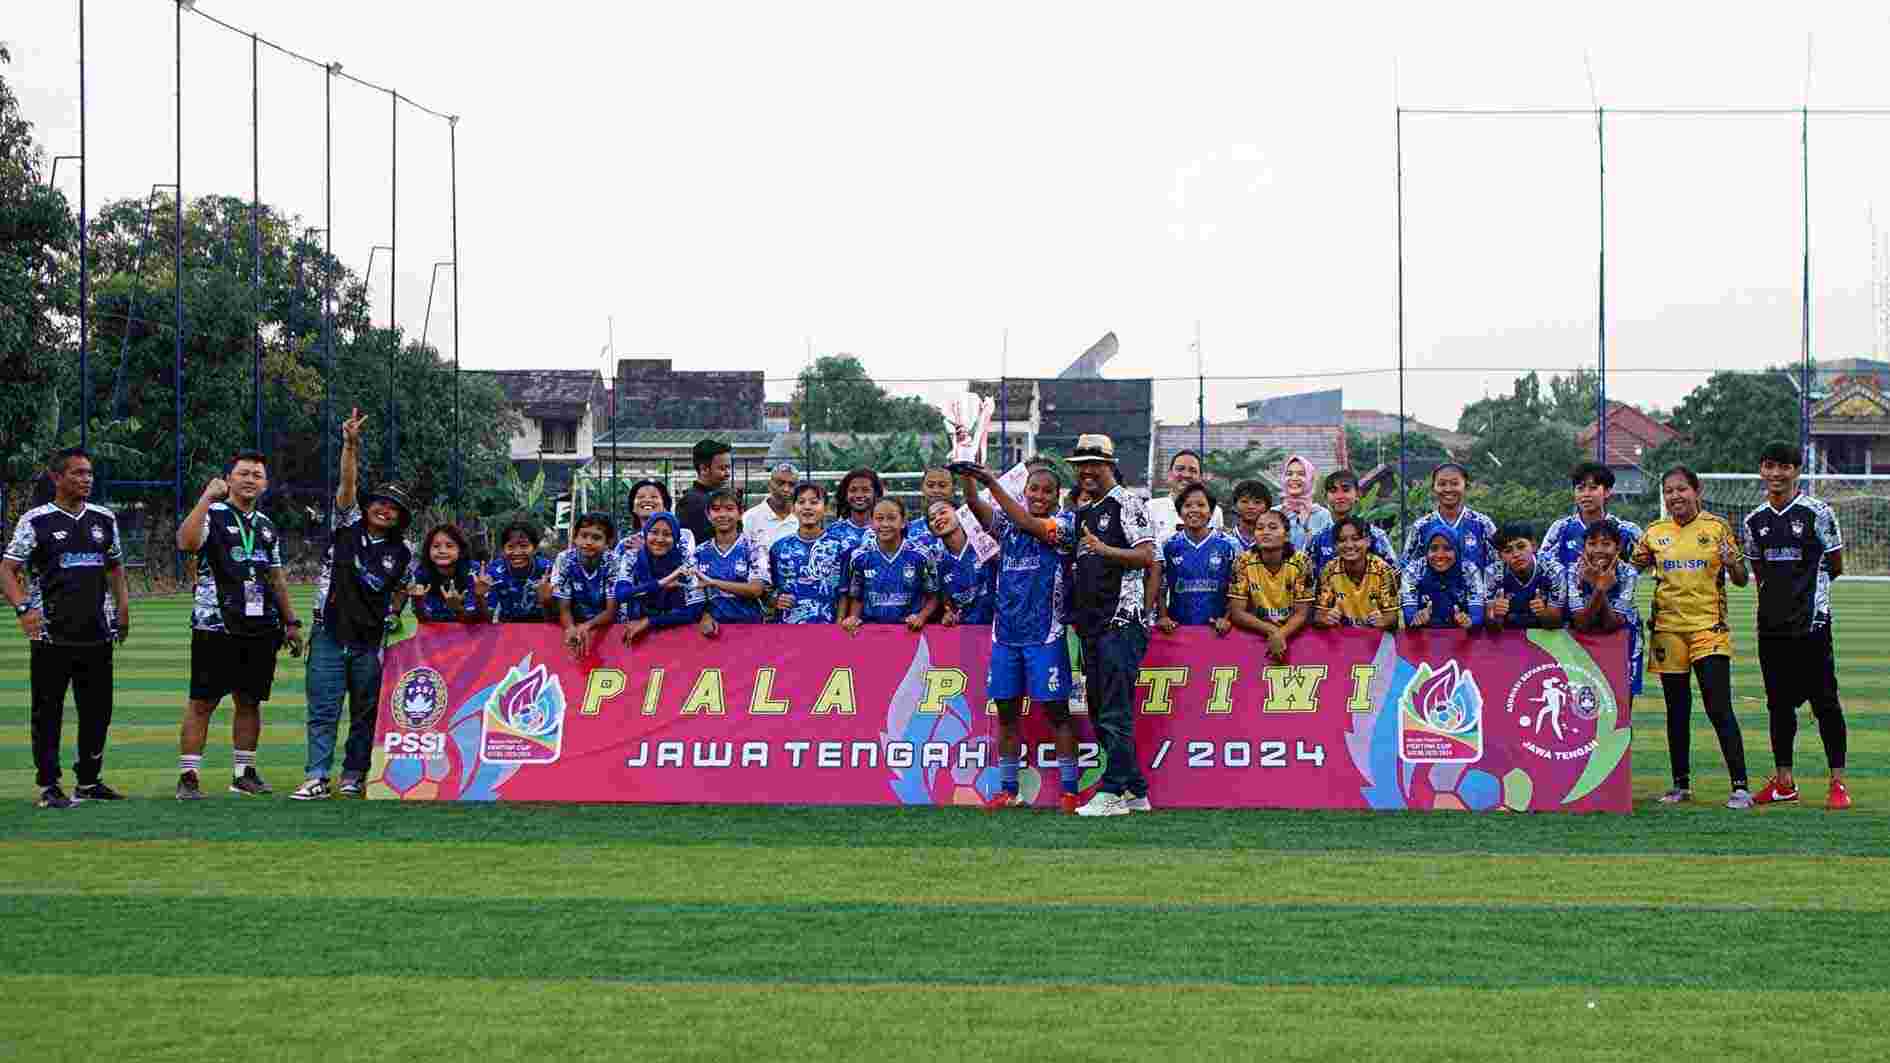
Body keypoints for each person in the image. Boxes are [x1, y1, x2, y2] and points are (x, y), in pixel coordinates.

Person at [2, 447, 131, 809]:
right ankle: (49, 786)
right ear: (57, 478)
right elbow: (7, 568)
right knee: (48, 711)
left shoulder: (104, 519)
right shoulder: (37, 520)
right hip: (51, 633)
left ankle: (89, 781)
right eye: (77, 473)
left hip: (97, 630)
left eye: (89, 473)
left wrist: (122, 609)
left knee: (98, 710)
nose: (86, 479)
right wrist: (24, 608)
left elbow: (115, 567)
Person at [296, 409, 414, 801]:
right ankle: (316, 776)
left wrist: (394, 612)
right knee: (324, 710)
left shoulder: (403, 550)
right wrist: (350, 444)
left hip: (370, 640)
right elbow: (346, 486)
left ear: (400, 516)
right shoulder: (346, 525)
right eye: (379, 502)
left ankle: (353, 775)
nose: (385, 509)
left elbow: (404, 587)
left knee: (365, 713)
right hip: (329, 631)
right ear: (367, 506)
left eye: (393, 507)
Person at [174, 451, 304, 800]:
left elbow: (275, 576)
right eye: (243, 473)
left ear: (265, 483)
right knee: (202, 702)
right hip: (214, 625)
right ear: (229, 479)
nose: (250, 479)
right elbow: (185, 543)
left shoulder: (265, 525)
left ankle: (243, 773)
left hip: (259, 625)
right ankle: (188, 776)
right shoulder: (212, 514)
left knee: (249, 701)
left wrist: (291, 621)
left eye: (257, 475)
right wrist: (204, 497)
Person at [961, 463, 1082, 812]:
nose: (1039, 496)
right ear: (1025, 491)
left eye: (1047, 490)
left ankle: (1070, 791)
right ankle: (1009, 790)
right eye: (1034, 489)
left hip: (1046, 635)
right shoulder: (1007, 529)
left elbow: (1027, 523)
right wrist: (969, 479)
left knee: (1057, 713)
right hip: (1006, 635)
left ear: (1056, 496)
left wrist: (990, 482)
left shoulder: (1063, 526)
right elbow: (975, 506)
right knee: (1007, 715)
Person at [1632, 466, 1750, 808]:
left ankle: (1740, 786)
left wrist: (1732, 563)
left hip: (1708, 629)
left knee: (1718, 706)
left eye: (1682, 489)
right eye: (1669, 491)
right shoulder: (1654, 532)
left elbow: (1741, 578)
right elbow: (1628, 567)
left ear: (1697, 491)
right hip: (1668, 631)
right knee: (1676, 709)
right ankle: (1680, 785)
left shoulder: (1717, 528)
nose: (1675, 496)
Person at [1742, 442, 1850, 809]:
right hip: (1771, 627)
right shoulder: (1753, 521)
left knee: (1825, 704)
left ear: (1796, 471)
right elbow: (1759, 572)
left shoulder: (1818, 512)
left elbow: (1835, 565)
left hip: (1812, 624)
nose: (1776, 473)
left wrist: (1807, 597)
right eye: (1770, 466)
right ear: (1761, 470)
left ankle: (1837, 782)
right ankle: (1784, 782)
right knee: (1778, 706)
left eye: (1784, 467)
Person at [1061, 435, 1156, 817]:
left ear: (1109, 464)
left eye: (1093, 463)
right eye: (1080, 463)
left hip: (1121, 620)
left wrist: (1105, 551)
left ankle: (1113, 790)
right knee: (1101, 709)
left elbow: (1148, 555)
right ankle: (1135, 790)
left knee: (1114, 709)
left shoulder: (1127, 503)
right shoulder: (1084, 512)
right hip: (1092, 625)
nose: (1085, 470)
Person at [842, 498, 938, 633]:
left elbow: (933, 597)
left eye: (892, 518)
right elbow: (857, 597)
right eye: (879, 518)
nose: (885, 524)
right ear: (871, 522)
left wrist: (921, 617)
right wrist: (853, 618)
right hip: (871, 632)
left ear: (903, 522)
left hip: (909, 632)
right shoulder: (859, 557)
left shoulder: (921, 555)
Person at [1154, 483, 1238, 636]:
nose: (1194, 510)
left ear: (1211, 512)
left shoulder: (1228, 545)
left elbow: (1236, 587)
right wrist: (1163, 616)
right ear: (1180, 512)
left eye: (1201, 505)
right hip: (1178, 630)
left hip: (1217, 630)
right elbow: (1161, 587)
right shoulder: (1169, 546)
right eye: (1188, 505)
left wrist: (1227, 618)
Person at [1228, 509, 1314, 658]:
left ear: (1287, 535)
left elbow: (1302, 613)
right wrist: (1272, 631)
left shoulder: (1302, 562)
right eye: (1260, 528)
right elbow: (1237, 613)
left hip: (1294, 635)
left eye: (1273, 527)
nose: (1265, 532)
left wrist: (1281, 634)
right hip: (1256, 634)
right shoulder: (1242, 562)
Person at [1403, 463, 1499, 588]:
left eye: (1454, 483)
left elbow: (1498, 564)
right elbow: (1407, 566)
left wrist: (1488, 599)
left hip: (1476, 603)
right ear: (1434, 488)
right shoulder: (1421, 526)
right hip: (1431, 602)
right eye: (1442, 484)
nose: (1448, 489)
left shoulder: (1482, 524)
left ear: (1466, 486)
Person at [768, 482, 852, 625]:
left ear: (825, 508)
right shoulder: (779, 548)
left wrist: (839, 622)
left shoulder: (840, 547)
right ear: (793, 508)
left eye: (814, 502)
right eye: (801, 502)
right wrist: (775, 599)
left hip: (827, 628)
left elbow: (844, 591)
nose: (807, 507)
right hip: (787, 628)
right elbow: (769, 590)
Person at [618, 511, 706, 644]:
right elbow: (621, 594)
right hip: (633, 630)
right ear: (646, 534)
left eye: (667, 534)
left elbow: (695, 610)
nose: (659, 539)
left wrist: (649, 621)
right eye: (654, 532)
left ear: (676, 538)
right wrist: (661, 584)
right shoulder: (632, 557)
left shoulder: (686, 560)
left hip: (676, 634)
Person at [693, 489, 770, 637]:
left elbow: (756, 590)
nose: (722, 515)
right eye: (716, 510)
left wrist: (713, 582)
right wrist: (705, 616)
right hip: (714, 632)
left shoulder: (755, 547)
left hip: (750, 629)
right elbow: (696, 595)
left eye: (729, 509)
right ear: (708, 515)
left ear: (740, 513)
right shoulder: (698, 552)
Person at [1541, 462, 1645, 571]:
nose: (1586, 494)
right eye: (1580, 488)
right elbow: (1542, 564)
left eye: (1593, 488)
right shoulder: (1560, 529)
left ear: (1607, 492)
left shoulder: (1627, 531)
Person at [1304, 469, 1396, 581]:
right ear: (1326, 497)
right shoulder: (1318, 539)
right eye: (1333, 491)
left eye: (1346, 490)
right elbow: (1307, 581)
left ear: (1358, 494)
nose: (1339, 496)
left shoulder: (1375, 536)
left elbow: (1394, 575)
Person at [552, 512, 619, 660]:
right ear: (575, 537)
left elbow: (611, 611)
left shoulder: (614, 561)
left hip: (609, 625)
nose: (588, 542)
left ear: (608, 542)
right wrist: (570, 628)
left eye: (596, 537)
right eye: (583, 535)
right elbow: (564, 607)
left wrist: (587, 626)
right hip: (576, 621)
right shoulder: (564, 559)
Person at [1314, 516, 1400, 630]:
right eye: (1342, 540)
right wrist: (1327, 618)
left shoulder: (1383, 570)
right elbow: (1319, 615)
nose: (1349, 545)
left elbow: (1392, 617)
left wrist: (1383, 621)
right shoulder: (1329, 571)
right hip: (1341, 637)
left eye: (1355, 539)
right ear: (1335, 545)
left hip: (1373, 637)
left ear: (1368, 541)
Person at [923, 501, 996, 626]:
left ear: (959, 514)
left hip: (998, 629)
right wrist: (949, 614)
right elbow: (947, 604)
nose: (938, 518)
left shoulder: (984, 541)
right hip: (966, 632)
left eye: (943, 512)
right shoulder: (935, 562)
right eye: (932, 518)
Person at [1565, 523, 1639, 645]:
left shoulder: (1628, 573)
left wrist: (1598, 588)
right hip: (1579, 639)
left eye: (1606, 544)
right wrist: (1599, 588)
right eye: (1592, 544)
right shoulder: (1573, 571)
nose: (1599, 550)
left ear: (1618, 547)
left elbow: (1611, 625)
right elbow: (1581, 624)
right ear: (1583, 548)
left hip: (1619, 637)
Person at [1401, 524, 1487, 630]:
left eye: (1447, 548)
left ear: (1457, 550)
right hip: (1425, 638)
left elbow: (1477, 618)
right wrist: (1418, 619)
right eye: (1433, 548)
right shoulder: (1414, 569)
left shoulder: (1470, 570)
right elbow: (1409, 618)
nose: (1440, 555)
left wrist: (1469, 622)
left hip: (1461, 639)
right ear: (1426, 550)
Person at [1485, 522, 1565, 631]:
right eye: (1508, 551)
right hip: (1509, 635)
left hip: (1543, 634)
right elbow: (1491, 627)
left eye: (1521, 547)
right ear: (1500, 556)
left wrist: (1543, 614)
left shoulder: (1554, 571)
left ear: (1534, 545)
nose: (1516, 554)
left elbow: (1557, 624)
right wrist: (1495, 616)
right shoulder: (1492, 573)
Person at [405, 524, 490, 624]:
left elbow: (482, 622)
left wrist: (459, 607)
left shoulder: (474, 573)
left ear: (461, 550)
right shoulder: (421, 573)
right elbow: (424, 622)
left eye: (449, 546)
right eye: (436, 546)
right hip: (436, 634)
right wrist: (418, 602)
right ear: (428, 551)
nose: (442, 551)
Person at [1146, 449, 1223, 544]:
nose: (1186, 475)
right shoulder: (1151, 508)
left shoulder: (1214, 511)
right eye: (1180, 469)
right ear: (1169, 474)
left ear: (1200, 477)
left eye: (1193, 470)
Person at [483, 521, 554, 623]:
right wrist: (479, 596)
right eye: (510, 547)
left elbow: (557, 615)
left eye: (524, 546)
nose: (517, 552)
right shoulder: (495, 570)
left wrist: (546, 601)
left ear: (535, 548)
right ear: (503, 549)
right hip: (507, 627)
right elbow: (487, 617)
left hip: (540, 626)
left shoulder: (548, 570)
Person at [617, 478, 696, 560]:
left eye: (654, 497)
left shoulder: (685, 536)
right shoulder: (626, 544)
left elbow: (687, 565)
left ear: (665, 506)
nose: (647, 500)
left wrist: (646, 549)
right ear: (633, 507)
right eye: (640, 497)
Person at [676, 438, 732, 545]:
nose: (727, 473)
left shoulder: (721, 496)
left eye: (728, 467)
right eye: (722, 468)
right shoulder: (692, 502)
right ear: (704, 469)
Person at [1278, 454, 1332, 551]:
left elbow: (1330, 548)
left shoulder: (1322, 515)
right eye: (1289, 474)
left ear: (1310, 478)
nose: (1294, 478)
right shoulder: (1275, 513)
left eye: (1301, 474)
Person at [742, 462, 801, 548]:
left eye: (791, 485)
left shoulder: (802, 517)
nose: (786, 489)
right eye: (780, 483)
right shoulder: (751, 517)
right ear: (770, 485)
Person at [830, 467, 882, 555]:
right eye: (853, 490)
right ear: (845, 494)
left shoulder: (886, 530)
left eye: (865, 490)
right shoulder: (832, 533)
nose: (859, 495)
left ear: (875, 494)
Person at [905, 466, 957, 543]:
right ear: (922, 488)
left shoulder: (967, 524)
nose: (936, 490)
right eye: (930, 485)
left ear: (953, 488)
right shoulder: (910, 531)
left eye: (942, 485)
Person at [1228, 479, 1272, 550]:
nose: (1250, 507)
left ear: (1267, 507)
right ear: (1235, 505)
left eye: (1257, 502)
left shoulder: (1274, 540)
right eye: (1244, 501)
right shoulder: (1224, 538)